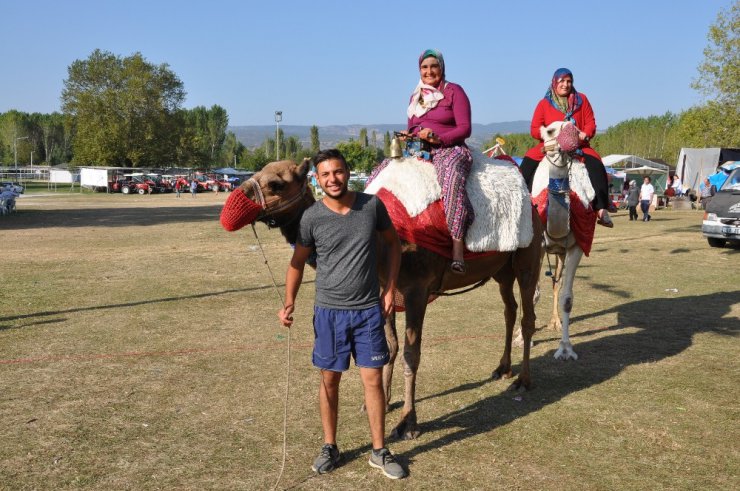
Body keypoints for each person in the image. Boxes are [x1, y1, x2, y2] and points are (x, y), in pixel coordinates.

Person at [278, 149, 406, 480]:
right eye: (325, 175)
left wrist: (390, 288)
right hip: (329, 313)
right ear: (316, 180)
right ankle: (329, 446)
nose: (332, 179)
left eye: (337, 172)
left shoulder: (371, 207)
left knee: (373, 380)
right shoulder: (312, 218)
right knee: (329, 380)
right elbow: (297, 261)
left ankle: (379, 451)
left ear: (347, 173)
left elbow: (393, 245)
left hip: (367, 312)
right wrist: (289, 300)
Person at [368, 48, 472, 274]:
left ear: (441, 68)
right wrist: (409, 136)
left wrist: (438, 138)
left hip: (449, 149)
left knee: (452, 181)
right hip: (419, 150)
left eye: (434, 66)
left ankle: (457, 246)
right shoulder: (416, 96)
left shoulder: (454, 91)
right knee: (379, 173)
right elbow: (412, 127)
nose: (429, 71)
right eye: (424, 67)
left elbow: (465, 128)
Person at [520, 68, 614, 228]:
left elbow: (591, 122)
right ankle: (522, 205)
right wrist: (544, 133)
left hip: (578, 145)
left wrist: (585, 134)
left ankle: (601, 209)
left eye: (569, 81)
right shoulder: (543, 104)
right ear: (554, 82)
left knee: (596, 165)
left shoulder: (582, 100)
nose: (565, 84)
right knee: (526, 165)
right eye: (562, 81)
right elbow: (534, 128)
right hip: (551, 145)